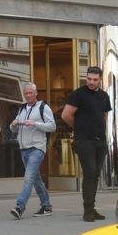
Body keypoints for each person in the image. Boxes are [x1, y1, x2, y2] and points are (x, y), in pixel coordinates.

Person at [61, 66, 112, 221]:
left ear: (100, 80)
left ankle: (92, 207)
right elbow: (66, 115)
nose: (91, 82)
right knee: (89, 172)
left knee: (95, 174)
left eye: (94, 80)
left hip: (100, 141)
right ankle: (87, 210)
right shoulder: (79, 94)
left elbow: (104, 116)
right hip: (84, 141)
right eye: (89, 79)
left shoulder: (104, 96)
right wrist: (78, 128)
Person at [9, 82, 56, 219]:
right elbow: (14, 129)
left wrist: (35, 123)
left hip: (37, 148)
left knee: (28, 178)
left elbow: (52, 126)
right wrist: (13, 125)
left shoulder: (43, 107)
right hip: (24, 149)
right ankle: (46, 206)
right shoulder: (22, 109)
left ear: (36, 93)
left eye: (31, 93)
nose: (28, 95)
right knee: (36, 180)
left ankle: (20, 207)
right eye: (26, 93)